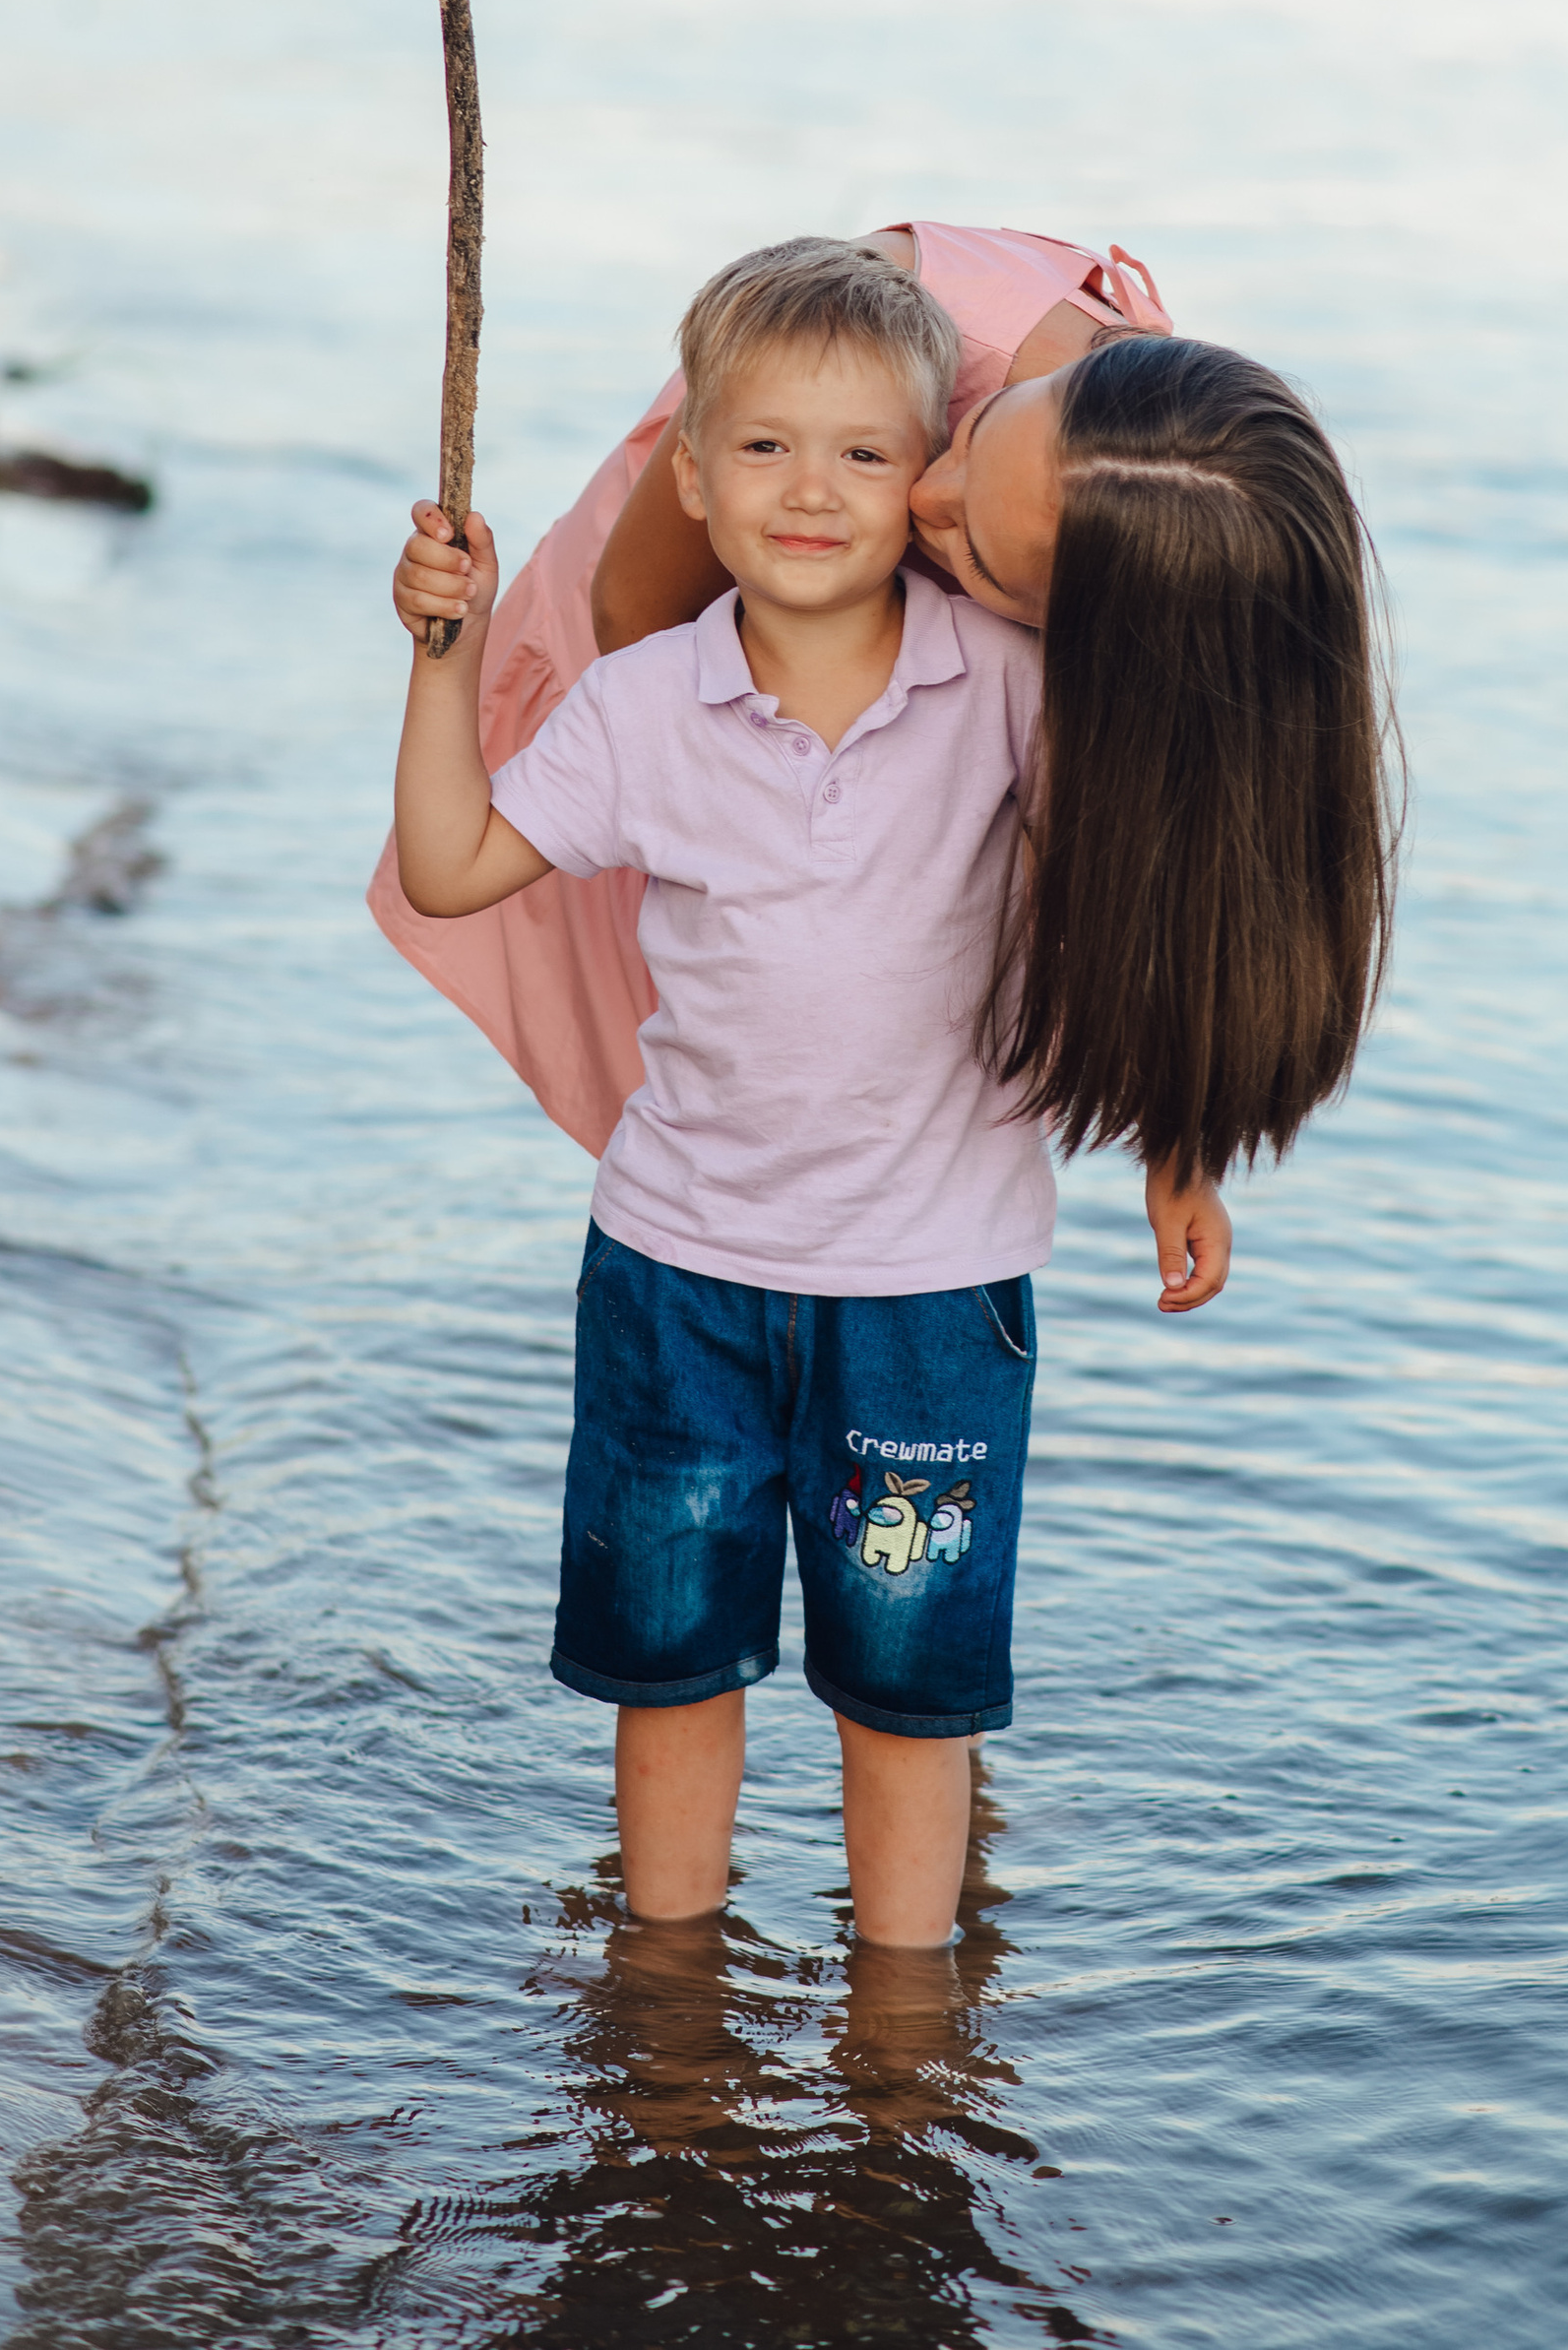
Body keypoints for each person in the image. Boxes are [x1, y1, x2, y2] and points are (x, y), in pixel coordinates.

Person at [391, 239, 1150, 1946]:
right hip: (678, 1274)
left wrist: (1187, 1156)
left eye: (867, 453)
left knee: (910, 1699)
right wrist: (443, 653)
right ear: (690, 470)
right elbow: (448, 865)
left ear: (927, 481)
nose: (814, 490)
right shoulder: (643, 701)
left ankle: (906, 2041)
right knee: (668, 1674)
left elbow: (1152, 906)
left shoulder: (1012, 689)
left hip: (933, 1294)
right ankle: (664, 2031)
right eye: (765, 447)